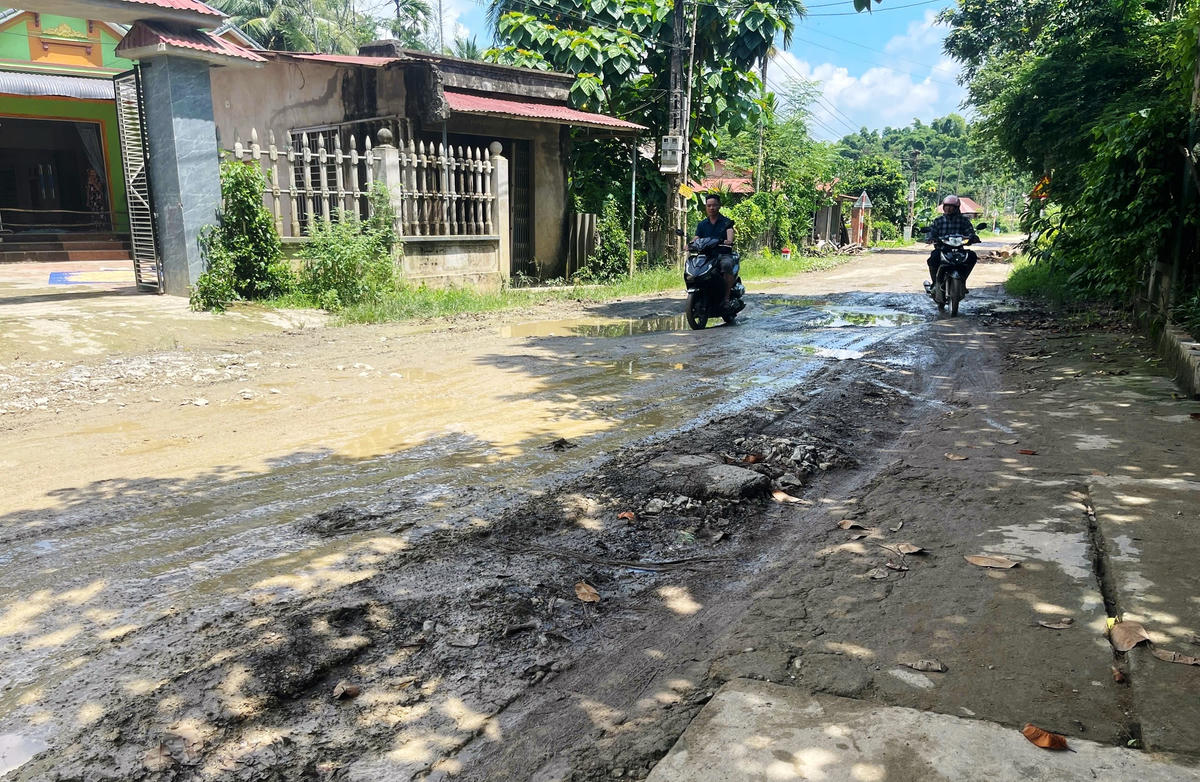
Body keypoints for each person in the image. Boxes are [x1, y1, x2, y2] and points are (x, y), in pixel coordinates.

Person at [925, 194, 980, 288]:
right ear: (943, 207)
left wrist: (973, 238)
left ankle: (962, 280)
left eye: (951, 207)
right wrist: (931, 238)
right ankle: (935, 283)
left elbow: (969, 232)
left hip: (959, 250)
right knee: (933, 257)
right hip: (942, 249)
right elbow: (932, 232)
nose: (948, 209)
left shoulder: (964, 221)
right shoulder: (938, 221)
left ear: (957, 208)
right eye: (946, 206)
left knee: (972, 256)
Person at [694, 193, 736, 308]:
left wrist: (729, 240)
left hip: (723, 254)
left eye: (714, 205)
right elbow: (697, 238)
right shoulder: (702, 224)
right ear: (706, 207)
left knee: (727, 265)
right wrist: (690, 244)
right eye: (709, 206)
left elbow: (730, 233)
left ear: (719, 206)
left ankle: (726, 298)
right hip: (707, 256)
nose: (711, 208)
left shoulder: (726, 222)